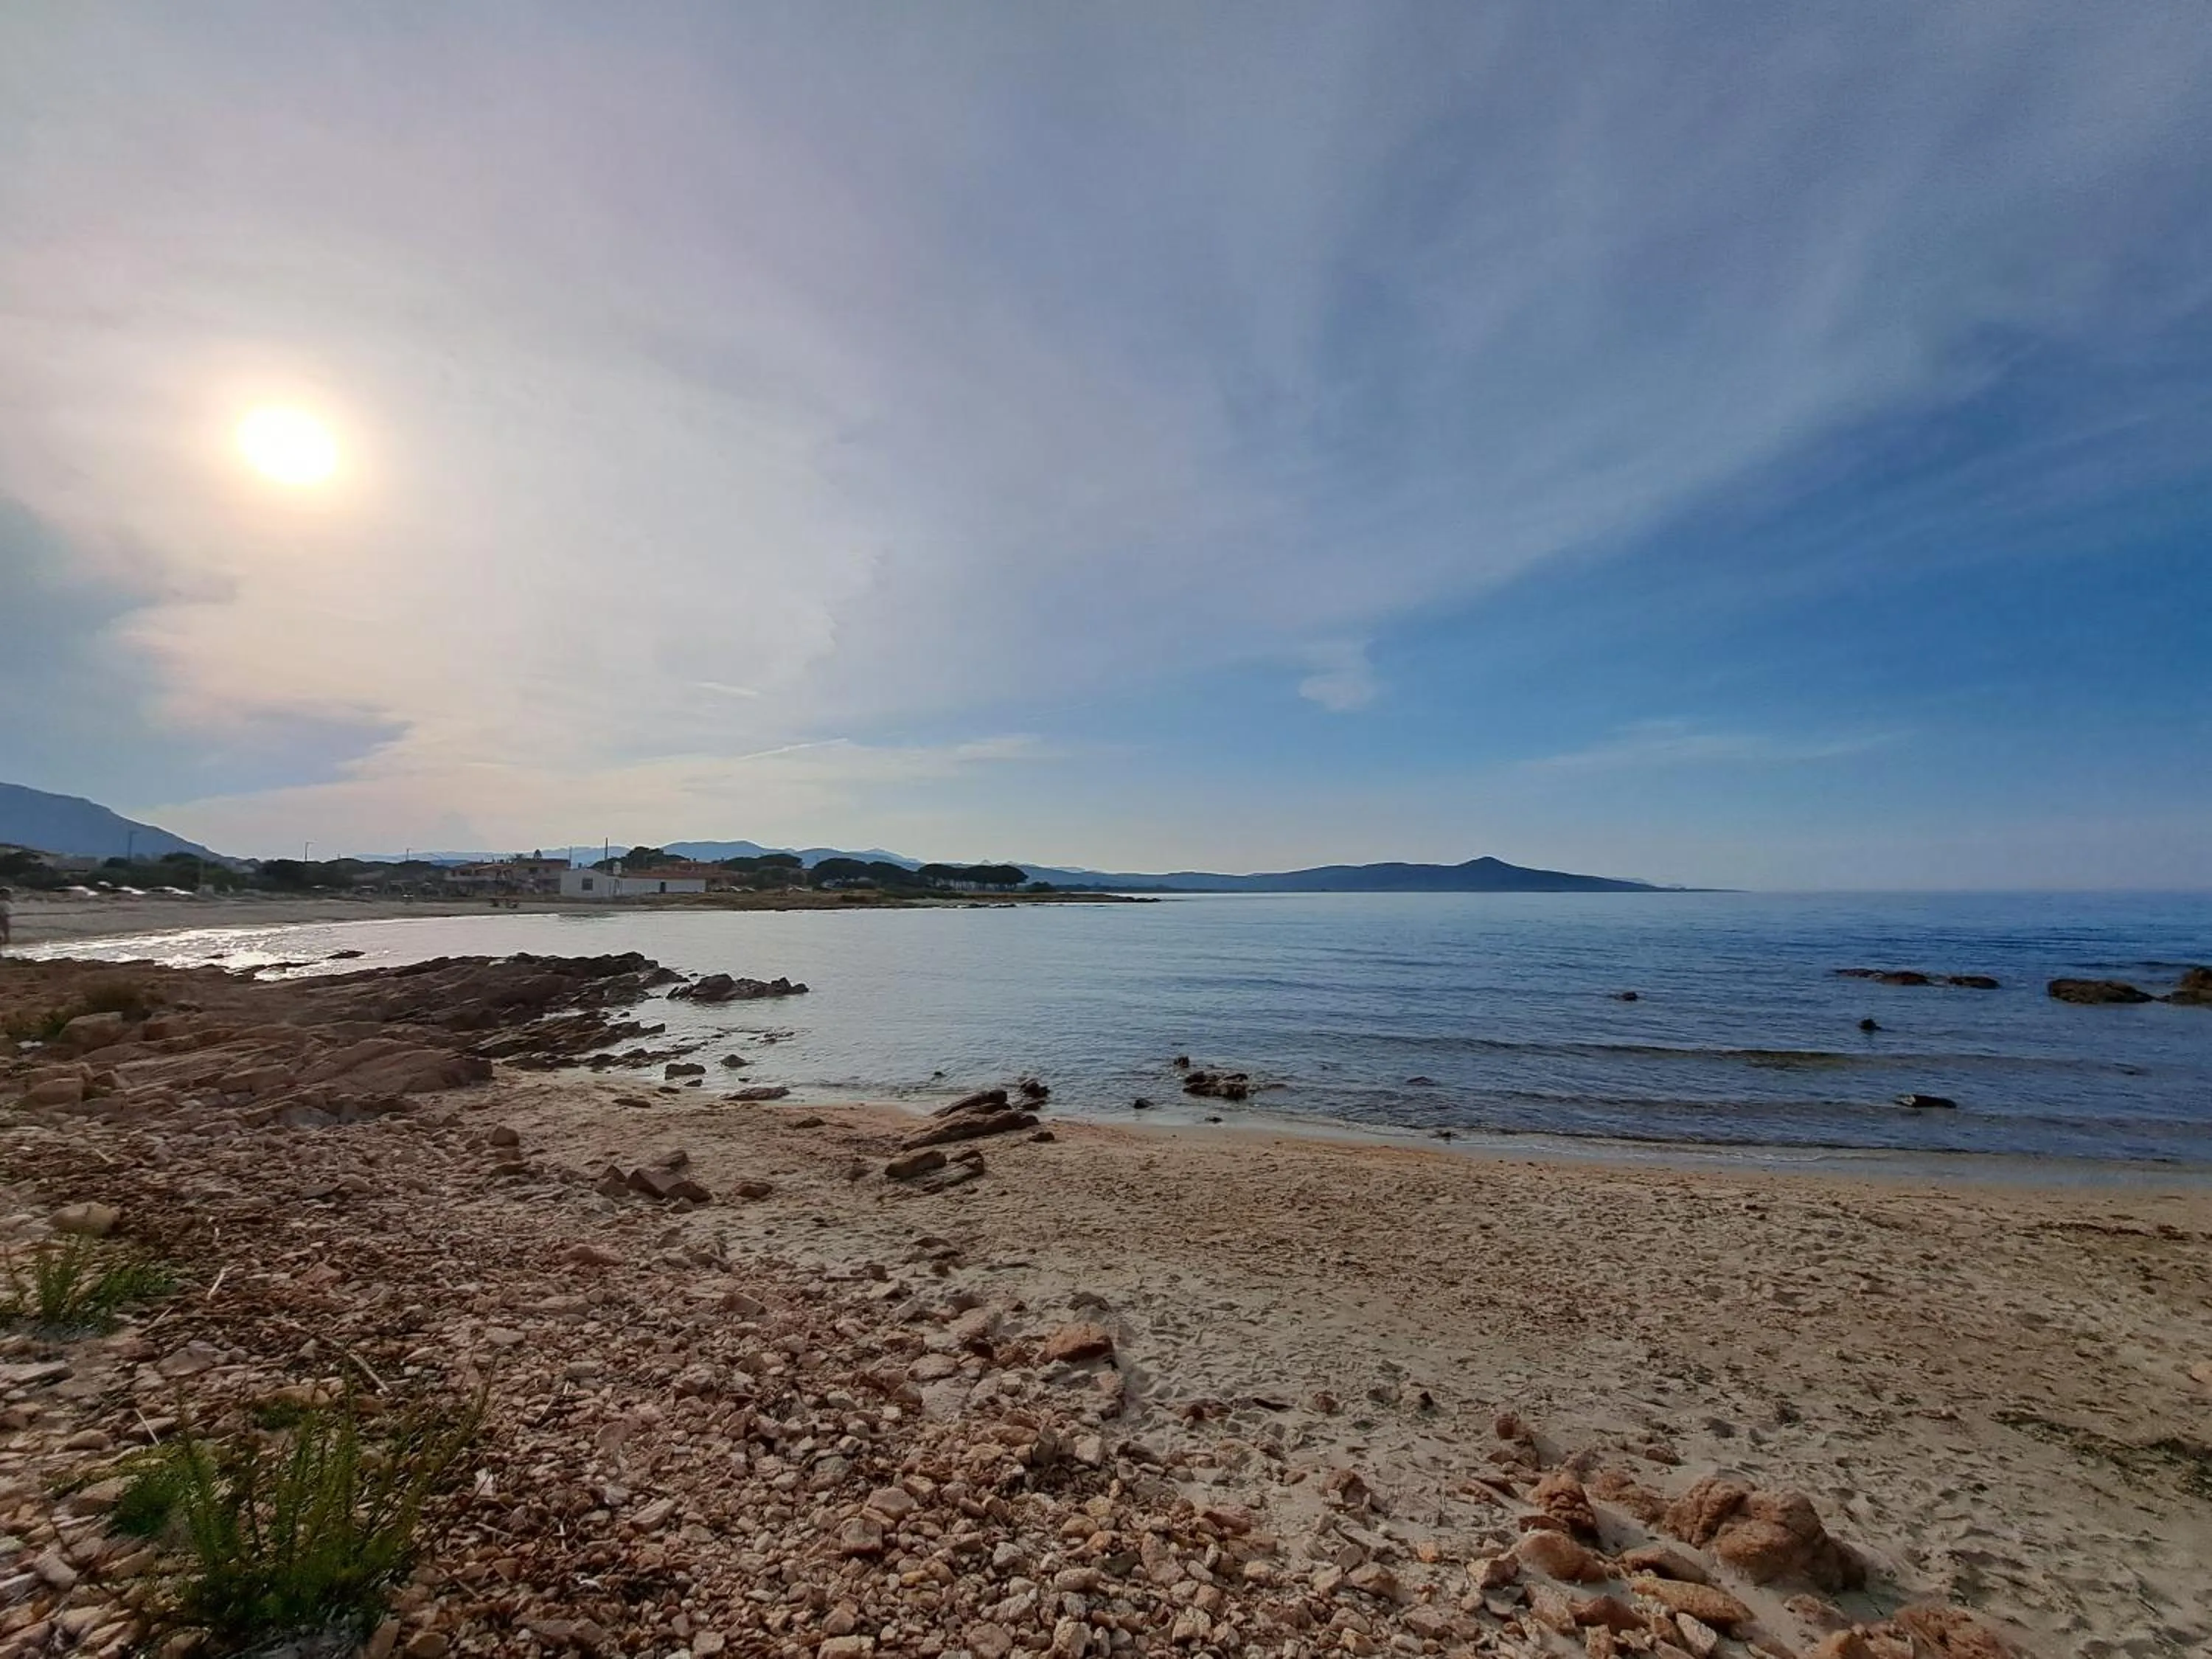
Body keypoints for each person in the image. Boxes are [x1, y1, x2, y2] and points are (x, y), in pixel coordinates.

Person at [0, 886, 12, 951]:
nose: (10, 896)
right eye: (9, 894)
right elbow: (4, 918)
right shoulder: (4, 904)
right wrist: (7, 934)